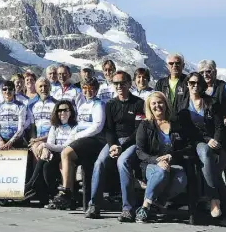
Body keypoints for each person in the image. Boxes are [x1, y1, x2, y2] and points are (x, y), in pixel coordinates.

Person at [85, 71, 145, 221]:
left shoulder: (138, 103)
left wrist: (122, 147)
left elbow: (139, 130)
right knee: (99, 163)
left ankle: (128, 209)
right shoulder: (111, 104)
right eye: (116, 83)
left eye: (122, 82)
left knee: (122, 162)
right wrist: (113, 145)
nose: (119, 86)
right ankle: (94, 205)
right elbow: (109, 129)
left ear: (129, 84)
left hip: (132, 142)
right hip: (114, 142)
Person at [134, 92, 201, 223]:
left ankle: (157, 204)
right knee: (161, 171)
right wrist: (156, 161)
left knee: (181, 178)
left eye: (160, 102)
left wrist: (172, 155)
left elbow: (189, 146)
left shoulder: (176, 124)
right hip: (150, 165)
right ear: (149, 106)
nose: (157, 106)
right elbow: (140, 152)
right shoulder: (145, 125)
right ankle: (145, 207)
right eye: (153, 103)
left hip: (173, 163)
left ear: (166, 105)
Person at [180, 72, 226, 225]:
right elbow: (187, 130)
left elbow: (219, 126)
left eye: (197, 83)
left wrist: (215, 141)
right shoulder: (183, 104)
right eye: (191, 83)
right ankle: (215, 200)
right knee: (204, 151)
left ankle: (225, 211)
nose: (195, 86)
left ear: (202, 85)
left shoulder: (211, 102)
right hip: (195, 142)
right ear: (187, 85)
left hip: (215, 143)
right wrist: (207, 140)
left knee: (214, 171)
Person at [49, 78, 106, 210]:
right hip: (82, 140)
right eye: (85, 88)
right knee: (66, 159)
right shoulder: (82, 105)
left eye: (91, 88)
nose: (88, 91)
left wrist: (78, 136)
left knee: (66, 152)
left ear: (96, 90)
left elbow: (97, 126)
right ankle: (71, 196)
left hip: (94, 140)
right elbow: (79, 125)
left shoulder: (98, 104)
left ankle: (66, 192)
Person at [198, 59, 226, 217]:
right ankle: (217, 201)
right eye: (202, 72)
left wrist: (223, 123)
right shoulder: (202, 90)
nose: (206, 74)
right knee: (213, 166)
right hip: (213, 134)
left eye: (208, 71)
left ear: (215, 72)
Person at [27, 100, 79, 206]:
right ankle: (51, 195)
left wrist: (45, 145)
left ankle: (31, 185)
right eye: (59, 110)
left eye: (65, 110)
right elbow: (50, 142)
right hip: (55, 154)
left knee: (47, 160)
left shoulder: (75, 127)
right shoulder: (55, 126)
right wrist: (45, 148)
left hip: (68, 155)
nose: (62, 113)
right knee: (46, 165)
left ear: (71, 112)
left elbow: (66, 147)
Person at [0, 81, 27, 150]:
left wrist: (11, 141)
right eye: (4, 89)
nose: (7, 91)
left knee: (13, 151)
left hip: (17, 139)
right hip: (2, 139)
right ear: (2, 91)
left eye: (10, 89)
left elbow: (21, 128)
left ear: (14, 91)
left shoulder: (21, 106)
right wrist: (0, 141)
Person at [27, 78, 58, 159]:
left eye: (45, 86)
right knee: (34, 149)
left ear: (50, 87)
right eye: (40, 86)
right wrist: (33, 139)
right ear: (36, 89)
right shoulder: (32, 105)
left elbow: (57, 127)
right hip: (37, 139)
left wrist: (41, 139)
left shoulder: (56, 104)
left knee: (41, 151)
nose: (43, 89)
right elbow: (33, 125)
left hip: (51, 139)